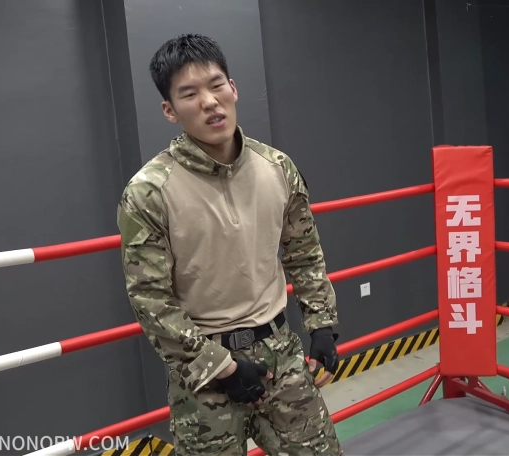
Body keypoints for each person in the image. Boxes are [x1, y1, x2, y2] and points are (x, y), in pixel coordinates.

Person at [116, 33, 343, 455]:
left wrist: (322, 324)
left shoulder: (277, 167)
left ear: (233, 88)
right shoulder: (149, 192)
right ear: (170, 110)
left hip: (281, 354)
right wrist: (220, 368)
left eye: (216, 85)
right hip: (204, 372)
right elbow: (150, 298)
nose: (209, 102)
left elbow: (303, 250)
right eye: (189, 94)